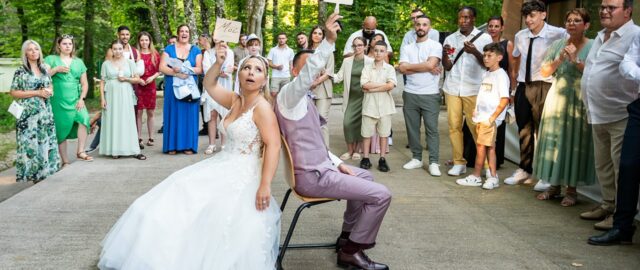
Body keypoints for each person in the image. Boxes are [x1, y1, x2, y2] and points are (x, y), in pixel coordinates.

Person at [98, 41, 282, 269]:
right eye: (246, 67)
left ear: (264, 80)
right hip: (224, 162)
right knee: (177, 186)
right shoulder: (236, 100)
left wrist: (265, 184)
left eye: (258, 70)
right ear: (239, 73)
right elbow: (210, 83)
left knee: (201, 203)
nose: (251, 73)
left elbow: (274, 146)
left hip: (243, 172)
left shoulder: (262, 108)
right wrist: (218, 62)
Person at [276, 13, 391, 269]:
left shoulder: (303, 99)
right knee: (382, 195)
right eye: (307, 68)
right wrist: (328, 40)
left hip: (323, 169)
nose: (313, 71)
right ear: (295, 71)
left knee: (366, 178)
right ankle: (352, 251)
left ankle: (347, 237)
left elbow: (317, 142)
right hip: (311, 177)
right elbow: (307, 76)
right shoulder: (288, 96)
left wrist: (338, 163)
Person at [580, 0, 639, 231]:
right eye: (602, 7)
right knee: (602, 165)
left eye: (611, 7)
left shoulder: (635, 35)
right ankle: (607, 204)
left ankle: (620, 215)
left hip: (621, 114)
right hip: (597, 112)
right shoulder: (600, 35)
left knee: (620, 170)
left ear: (627, 11)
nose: (604, 11)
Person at [533, 9, 595, 207]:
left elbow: (594, 73)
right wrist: (559, 58)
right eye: (569, 20)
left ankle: (571, 190)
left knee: (574, 142)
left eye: (577, 21)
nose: (571, 24)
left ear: (586, 25)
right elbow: (544, 71)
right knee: (554, 139)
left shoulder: (593, 45)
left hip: (578, 99)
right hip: (557, 96)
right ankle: (553, 185)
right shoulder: (558, 44)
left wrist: (576, 59)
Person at [505, 0, 567, 191]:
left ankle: (546, 174)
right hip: (525, 84)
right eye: (526, 16)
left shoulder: (557, 33)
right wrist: (514, 85)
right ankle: (525, 169)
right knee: (524, 129)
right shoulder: (520, 35)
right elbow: (515, 57)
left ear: (543, 14)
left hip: (545, 85)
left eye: (532, 15)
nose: (528, 20)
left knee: (544, 131)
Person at [588, 30, 640, 246]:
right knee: (627, 165)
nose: (605, 10)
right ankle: (622, 228)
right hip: (637, 107)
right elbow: (627, 63)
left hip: (618, 111)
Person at [441, 6, 493, 177]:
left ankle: (485, 164)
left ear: (473, 19)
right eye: (461, 18)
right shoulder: (450, 38)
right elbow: (447, 66)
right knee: (454, 127)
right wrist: (444, 55)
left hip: (473, 88)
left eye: (467, 17)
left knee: (476, 128)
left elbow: (488, 64)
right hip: (453, 87)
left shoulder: (485, 38)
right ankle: (459, 162)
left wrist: (475, 52)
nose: (463, 21)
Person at [455, 43, 510, 189]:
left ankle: (477, 176)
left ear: (499, 57)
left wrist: (492, 118)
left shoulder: (501, 75)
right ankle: (492, 177)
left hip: (489, 119)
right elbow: (484, 93)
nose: (485, 58)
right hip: (481, 117)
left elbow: (505, 99)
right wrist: (476, 110)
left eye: (489, 55)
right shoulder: (487, 73)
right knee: (489, 147)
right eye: (484, 55)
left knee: (481, 147)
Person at [398, 15, 443, 176]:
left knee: (432, 130)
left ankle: (433, 162)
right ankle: (416, 158)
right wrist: (424, 66)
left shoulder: (435, 46)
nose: (421, 27)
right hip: (410, 93)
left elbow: (431, 64)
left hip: (430, 94)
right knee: (412, 129)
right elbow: (402, 69)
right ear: (414, 27)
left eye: (424, 25)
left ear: (429, 28)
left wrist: (411, 66)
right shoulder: (407, 47)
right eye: (418, 24)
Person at [10, 40, 60, 182]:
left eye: (36, 49)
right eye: (30, 49)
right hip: (28, 114)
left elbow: (50, 86)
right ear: (25, 53)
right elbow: (14, 93)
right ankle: (33, 175)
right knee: (31, 143)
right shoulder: (21, 71)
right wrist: (37, 92)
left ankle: (44, 172)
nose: (34, 52)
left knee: (45, 141)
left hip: (45, 113)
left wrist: (49, 92)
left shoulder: (44, 68)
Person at [45, 35, 93, 164]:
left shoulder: (79, 62)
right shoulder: (51, 59)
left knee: (84, 119)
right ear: (59, 45)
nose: (67, 46)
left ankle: (81, 151)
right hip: (58, 99)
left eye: (70, 44)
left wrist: (82, 98)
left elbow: (84, 83)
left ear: (73, 46)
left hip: (76, 98)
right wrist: (56, 69)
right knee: (61, 128)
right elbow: (42, 76)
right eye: (64, 43)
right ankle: (65, 161)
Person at [99, 40, 147, 160]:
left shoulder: (130, 62)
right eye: (115, 49)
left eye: (120, 49)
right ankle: (115, 149)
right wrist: (102, 99)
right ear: (111, 50)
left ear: (123, 50)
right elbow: (102, 82)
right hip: (110, 94)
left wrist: (125, 78)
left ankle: (133, 149)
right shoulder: (106, 64)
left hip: (125, 93)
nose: (117, 51)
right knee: (113, 120)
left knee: (127, 120)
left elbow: (137, 79)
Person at [159, 24, 203, 155]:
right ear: (178, 34)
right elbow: (162, 67)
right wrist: (177, 74)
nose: (184, 33)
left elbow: (200, 69)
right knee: (173, 114)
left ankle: (188, 146)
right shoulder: (169, 49)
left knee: (189, 114)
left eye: (187, 31)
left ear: (189, 34)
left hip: (190, 87)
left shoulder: (196, 50)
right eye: (182, 31)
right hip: (172, 87)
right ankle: (171, 146)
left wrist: (185, 70)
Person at [359, 40, 397, 172]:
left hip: (385, 107)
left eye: (382, 51)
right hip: (369, 106)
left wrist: (372, 88)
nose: (378, 53)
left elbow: (390, 85)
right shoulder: (367, 68)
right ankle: (365, 157)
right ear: (372, 51)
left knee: (384, 134)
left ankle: (382, 159)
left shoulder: (390, 68)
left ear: (386, 52)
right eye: (376, 50)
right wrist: (382, 86)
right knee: (366, 134)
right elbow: (364, 85)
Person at [334, 37, 373, 161]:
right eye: (355, 46)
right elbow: (339, 77)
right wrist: (326, 74)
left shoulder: (370, 61)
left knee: (361, 124)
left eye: (360, 45)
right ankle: (349, 150)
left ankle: (357, 151)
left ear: (366, 47)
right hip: (351, 98)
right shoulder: (347, 61)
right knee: (347, 123)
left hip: (365, 98)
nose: (357, 48)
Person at [202, 39, 235, 154]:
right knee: (212, 115)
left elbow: (229, 70)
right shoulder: (207, 53)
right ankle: (211, 144)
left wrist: (219, 72)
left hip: (225, 86)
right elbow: (206, 70)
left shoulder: (229, 52)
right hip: (211, 86)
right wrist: (219, 72)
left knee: (224, 115)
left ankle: (224, 144)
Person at [307, 25, 335, 146]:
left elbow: (329, 72)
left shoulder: (328, 51)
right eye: (315, 33)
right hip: (308, 89)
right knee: (309, 122)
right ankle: (313, 150)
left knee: (321, 120)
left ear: (323, 37)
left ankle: (326, 153)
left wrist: (316, 82)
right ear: (311, 35)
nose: (317, 35)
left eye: (320, 34)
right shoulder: (306, 51)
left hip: (323, 89)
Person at [135, 32, 161, 148]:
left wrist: (152, 77)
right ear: (139, 41)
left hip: (150, 85)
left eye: (146, 40)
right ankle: (138, 137)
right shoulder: (136, 55)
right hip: (138, 85)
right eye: (142, 40)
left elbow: (159, 70)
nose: (144, 42)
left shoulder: (155, 54)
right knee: (139, 112)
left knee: (150, 112)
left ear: (150, 41)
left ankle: (151, 137)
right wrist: (138, 79)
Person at [267, 32, 295, 98]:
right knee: (273, 94)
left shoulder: (290, 51)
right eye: (279, 38)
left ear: (286, 39)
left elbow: (291, 64)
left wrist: (292, 76)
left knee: (285, 95)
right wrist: (276, 67)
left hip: (286, 76)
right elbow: (268, 62)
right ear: (277, 39)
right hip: (275, 76)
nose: (281, 40)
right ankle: (272, 108)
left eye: (283, 38)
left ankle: (282, 108)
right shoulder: (273, 50)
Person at [197, 33, 213, 136]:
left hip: (211, 78)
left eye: (200, 40)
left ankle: (214, 126)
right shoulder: (200, 52)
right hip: (201, 78)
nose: (199, 42)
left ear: (206, 39)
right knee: (203, 102)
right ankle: (206, 125)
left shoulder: (213, 51)